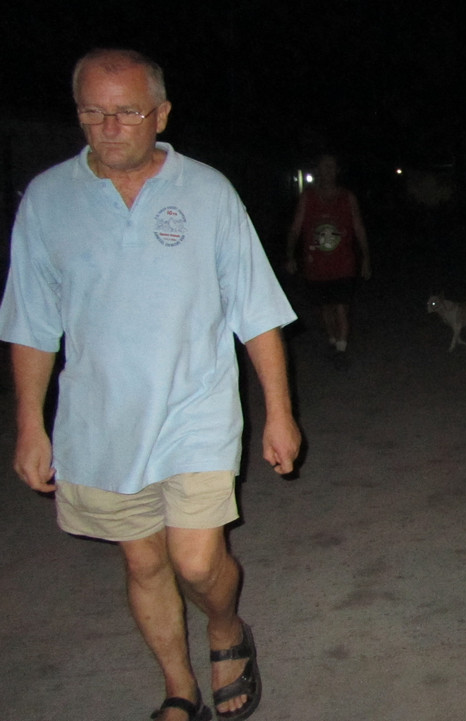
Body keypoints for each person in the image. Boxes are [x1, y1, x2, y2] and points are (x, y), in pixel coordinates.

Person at [0, 49, 301, 721]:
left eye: (128, 112)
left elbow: (255, 311)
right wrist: (29, 424)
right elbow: (31, 323)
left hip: (196, 408)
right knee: (143, 564)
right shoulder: (47, 200)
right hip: (101, 419)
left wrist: (280, 413)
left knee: (196, 561)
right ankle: (179, 687)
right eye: (93, 111)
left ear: (161, 114)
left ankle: (224, 626)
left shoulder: (208, 192)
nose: (109, 127)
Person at [285, 153, 371, 368]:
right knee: (325, 308)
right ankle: (333, 340)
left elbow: (359, 227)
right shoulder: (308, 197)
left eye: (332, 167)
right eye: (324, 167)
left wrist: (366, 257)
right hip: (317, 264)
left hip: (344, 263)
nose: (329, 171)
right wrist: (290, 254)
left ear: (337, 171)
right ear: (318, 171)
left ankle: (341, 349)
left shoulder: (347, 197)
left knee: (341, 306)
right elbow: (296, 227)